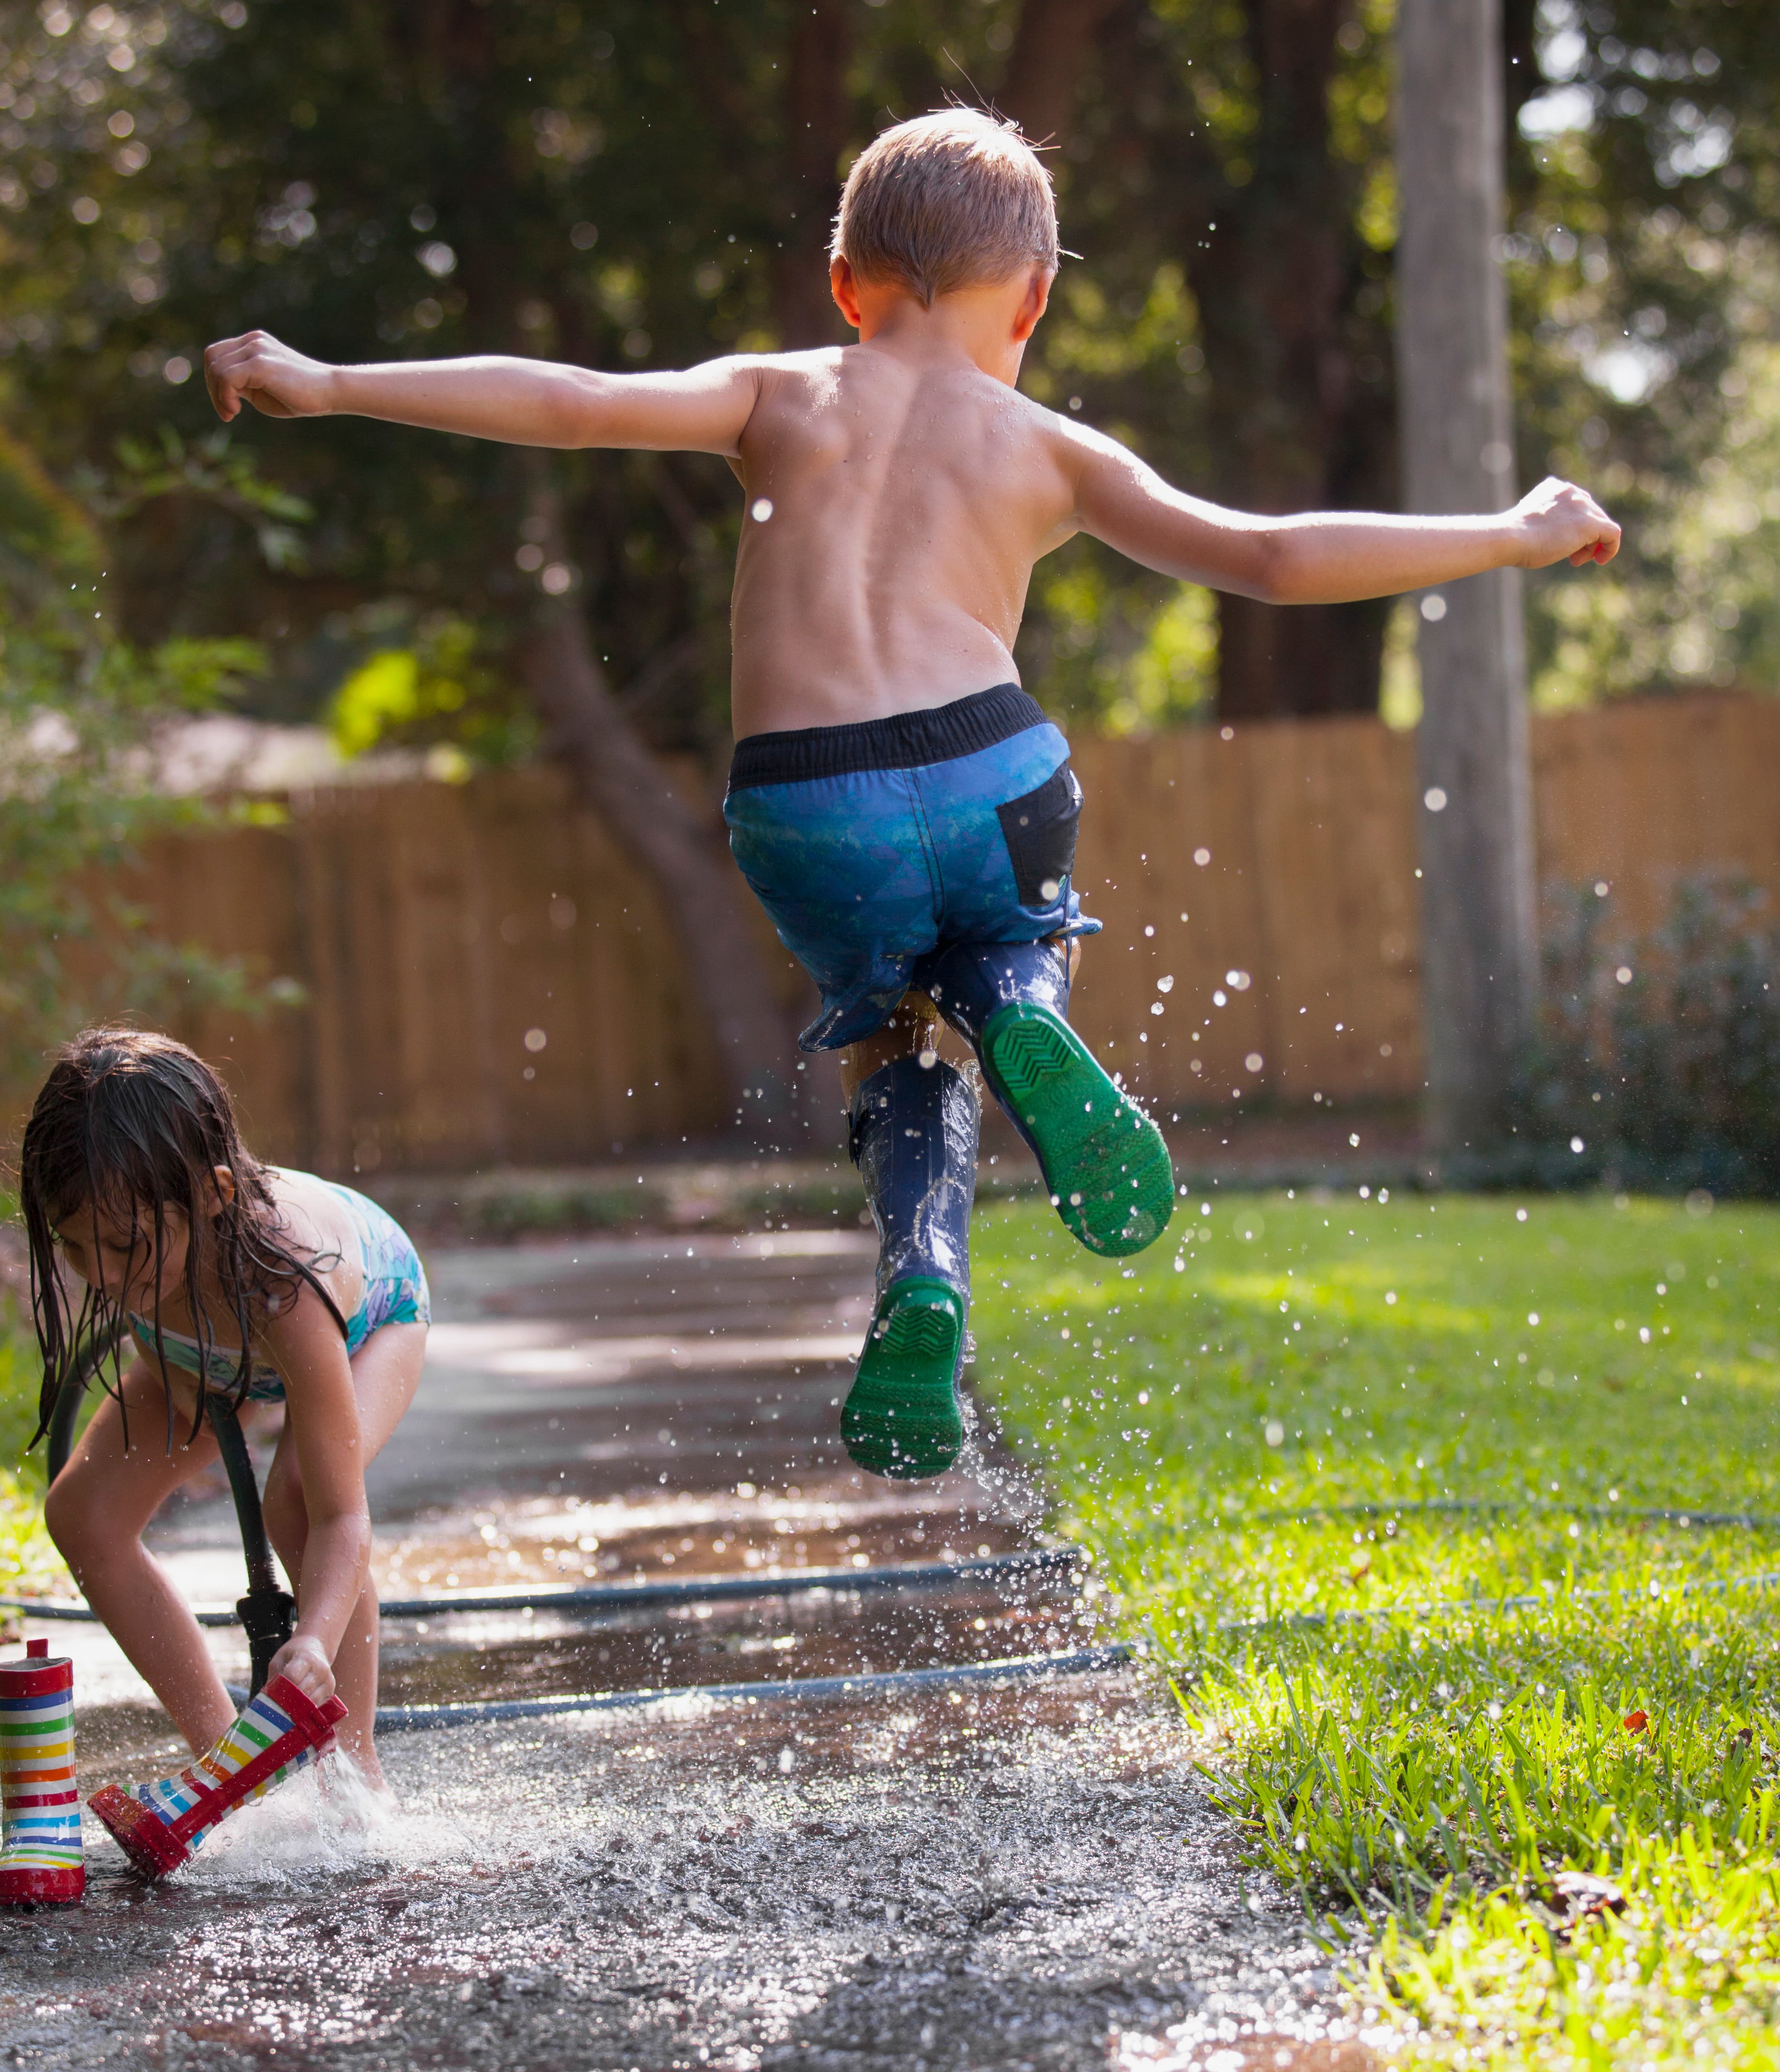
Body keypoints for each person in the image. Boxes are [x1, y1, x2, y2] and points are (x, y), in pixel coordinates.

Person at [202, 108, 1617, 1482]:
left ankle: (923, 1267)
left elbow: (568, 405)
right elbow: (1270, 557)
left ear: (844, 282)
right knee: (1009, 938)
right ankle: (1022, 1009)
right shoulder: (1049, 445)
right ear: (1037, 299)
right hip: (992, 766)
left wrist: (328, 381)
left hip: (808, 805)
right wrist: (1509, 533)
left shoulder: (781, 390)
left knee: (893, 1038)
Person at [17, 1029, 429, 1882]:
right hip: (205, 1344)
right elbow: (141, 1289)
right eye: (74, 1246)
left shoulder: (283, 1277)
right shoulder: (135, 1255)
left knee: (294, 1501)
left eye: (123, 1247)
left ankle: (356, 1790)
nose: (101, 1274)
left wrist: (311, 1640)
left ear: (212, 1194)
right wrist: (189, 1374)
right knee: (82, 1516)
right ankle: (227, 1765)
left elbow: (342, 1513)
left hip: (368, 1317)